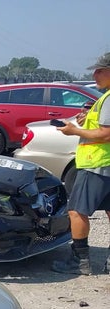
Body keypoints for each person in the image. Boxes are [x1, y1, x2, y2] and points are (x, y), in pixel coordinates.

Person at [51, 52, 110, 275]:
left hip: (97, 164)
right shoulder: (105, 97)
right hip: (106, 164)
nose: (95, 75)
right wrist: (88, 119)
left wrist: (74, 130)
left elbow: (106, 134)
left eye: (100, 70)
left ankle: (79, 261)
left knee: (76, 211)